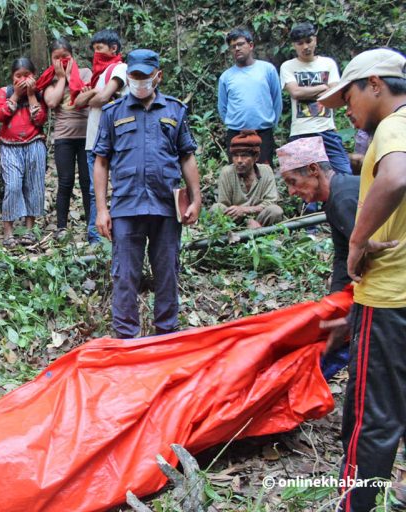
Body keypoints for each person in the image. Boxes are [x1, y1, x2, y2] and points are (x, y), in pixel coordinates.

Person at [317, 47, 406, 511]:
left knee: (370, 415)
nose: (346, 109)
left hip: (389, 297)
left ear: (375, 84)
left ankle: (356, 504)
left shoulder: (393, 126)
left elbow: (395, 179)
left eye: (347, 97)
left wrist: (357, 241)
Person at [93, 49, 202, 338]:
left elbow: (187, 156)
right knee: (125, 277)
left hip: (166, 206)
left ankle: (166, 337)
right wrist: (102, 209)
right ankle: (126, 342)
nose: (139, 82)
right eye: (134, 76)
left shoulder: (174, 111)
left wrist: (196, 198)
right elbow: (101, 162)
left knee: (167, 274)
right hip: (126, 207)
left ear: (158, 76)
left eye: (144, 76)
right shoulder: (113, 113)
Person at [276, 136, 360, 379]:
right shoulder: (335, 198)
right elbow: (344, 255)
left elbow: (369, 261)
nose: (292, 191)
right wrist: (333, 305)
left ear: (313, 170)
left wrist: (350, 315)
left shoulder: (344, 198)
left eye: (293, 182)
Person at [76, 29, 128, 245]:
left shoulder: (121, 68)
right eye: (94, 49)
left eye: (100, 48)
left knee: (117, 186)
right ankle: (95, 238)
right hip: (93, 140)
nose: (96, 53)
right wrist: (92, 95)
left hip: (115, 140)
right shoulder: (98, 77)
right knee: (93, 190)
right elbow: (77, 103)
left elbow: (103, 98)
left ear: (113, 49)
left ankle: (118, 234)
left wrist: (91, 95)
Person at [280, 22, 352, 175]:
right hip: (301, 131)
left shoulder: (328, 63)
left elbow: (336, 91)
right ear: (294, 45)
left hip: (326, 128)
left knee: (344, 173)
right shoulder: (288, 66)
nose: (305, 47)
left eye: (309, 41)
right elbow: (296, 93)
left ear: (315, 40)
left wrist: (310, 91)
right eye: (300, 43)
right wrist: (323, 87)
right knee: (308, 180)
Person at [39, 38, 92, 241]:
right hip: (64, 137)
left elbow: (90, 96)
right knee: (66, 181)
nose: (61, 60)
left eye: (65, 57)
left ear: (72, 56)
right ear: (51, 59)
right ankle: (61, 227)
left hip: (87, 135)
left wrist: (72, 77)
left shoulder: (86, 73)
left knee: (87, 183)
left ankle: (91, 226)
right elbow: (52, 101)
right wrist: (62, 78)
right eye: (56, 57)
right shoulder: (49, 79)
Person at [0, 57, 48, 247]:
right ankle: (8, 231)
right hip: (9, 146)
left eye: (27, 75)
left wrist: (32, 95)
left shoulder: (40, 93)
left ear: (34, 76)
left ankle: (30, 230)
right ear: (12, 77)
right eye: (19, 76)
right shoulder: (5, 92)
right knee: (13, 186)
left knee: (34, 186)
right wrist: (16, 96)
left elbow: (40, 120)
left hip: (34, 144)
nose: (23, 79)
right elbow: (0, 115)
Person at [218, 27, 282, 164]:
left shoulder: (267, 70)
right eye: (233, 46)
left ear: (251, 45)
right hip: (236, 133)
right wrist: (236, 124)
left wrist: (271, 125)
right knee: (237, 173)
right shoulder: (226, 77)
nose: (237, 49)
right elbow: (223, 107)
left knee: (263, 173)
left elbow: (276, 100)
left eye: (240, 44)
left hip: (263, 132)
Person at [211, 130, 283, 229]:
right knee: (217, 208)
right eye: (235, 156)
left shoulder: (266, 171)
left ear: (256, 157)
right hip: (234, 221)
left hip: (258, 218)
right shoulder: (226, 172)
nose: (239, 160)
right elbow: (224, 205)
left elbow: (271, 202)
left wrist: (245, 210)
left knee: (275, 211)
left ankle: (263, 234)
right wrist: (246, 220)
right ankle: (230, 235)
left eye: (244, 156)